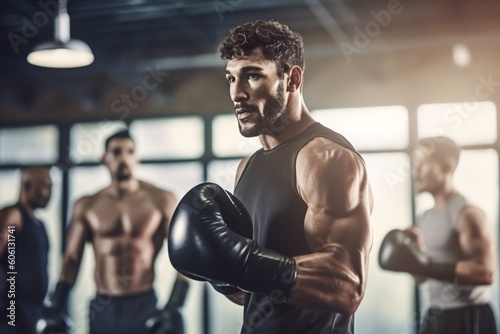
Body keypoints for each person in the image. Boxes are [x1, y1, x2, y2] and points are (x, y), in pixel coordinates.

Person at [167, 20, 374, 334]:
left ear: (292, 79)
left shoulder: (324, 159)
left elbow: (347, 286)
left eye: (252, 75)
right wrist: (222, 273)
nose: (237, 93)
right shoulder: (246, 167)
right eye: (231, 78)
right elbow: (247, 295)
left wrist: (242, 261)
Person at [37, 130, 190, 334]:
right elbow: (72, 259)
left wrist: (174, 306)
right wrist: (56, 306)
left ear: (137, 158)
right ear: (104, 158)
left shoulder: (161, 200)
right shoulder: (87, 205)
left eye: (129, 152)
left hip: (143, 304)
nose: (123, 158)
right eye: (116, 152)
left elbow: (185, 257)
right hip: (103, 307)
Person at [379, 136, 497, 334]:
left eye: (423, 165)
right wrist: (413, 259)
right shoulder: (423, 218)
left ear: (447, 168)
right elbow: (422, 278)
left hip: (468, 315)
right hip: (436, 313)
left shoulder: (467, 214)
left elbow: (485, 272)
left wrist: (426, 263)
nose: (416, 172)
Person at [0, 166, 52, 334]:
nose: (49, 193)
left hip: (32, 311)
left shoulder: (39, 223)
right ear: (27, 185)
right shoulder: (14, 215)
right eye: (45, 186)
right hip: (12, 312)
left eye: (51, 187)